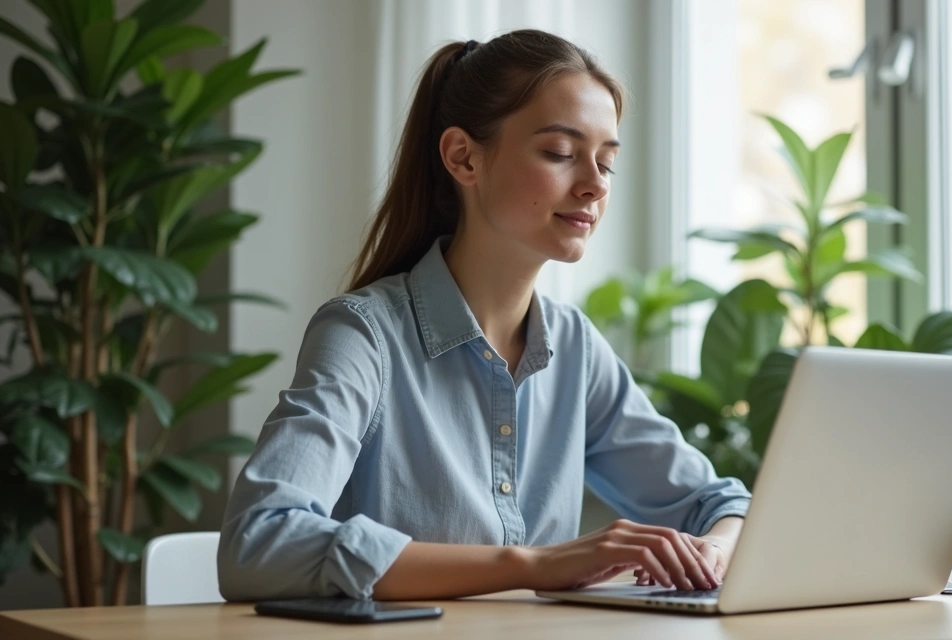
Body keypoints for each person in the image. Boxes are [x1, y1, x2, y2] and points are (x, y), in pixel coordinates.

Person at [216, 29, 750, 602]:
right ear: (463, 157)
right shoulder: (363, 336)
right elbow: (258, 543)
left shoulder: (574, 348)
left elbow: (719, 505)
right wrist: (531, 564)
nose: (595, 185)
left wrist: (710, 554)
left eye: (607, 163)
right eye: (561, 154)